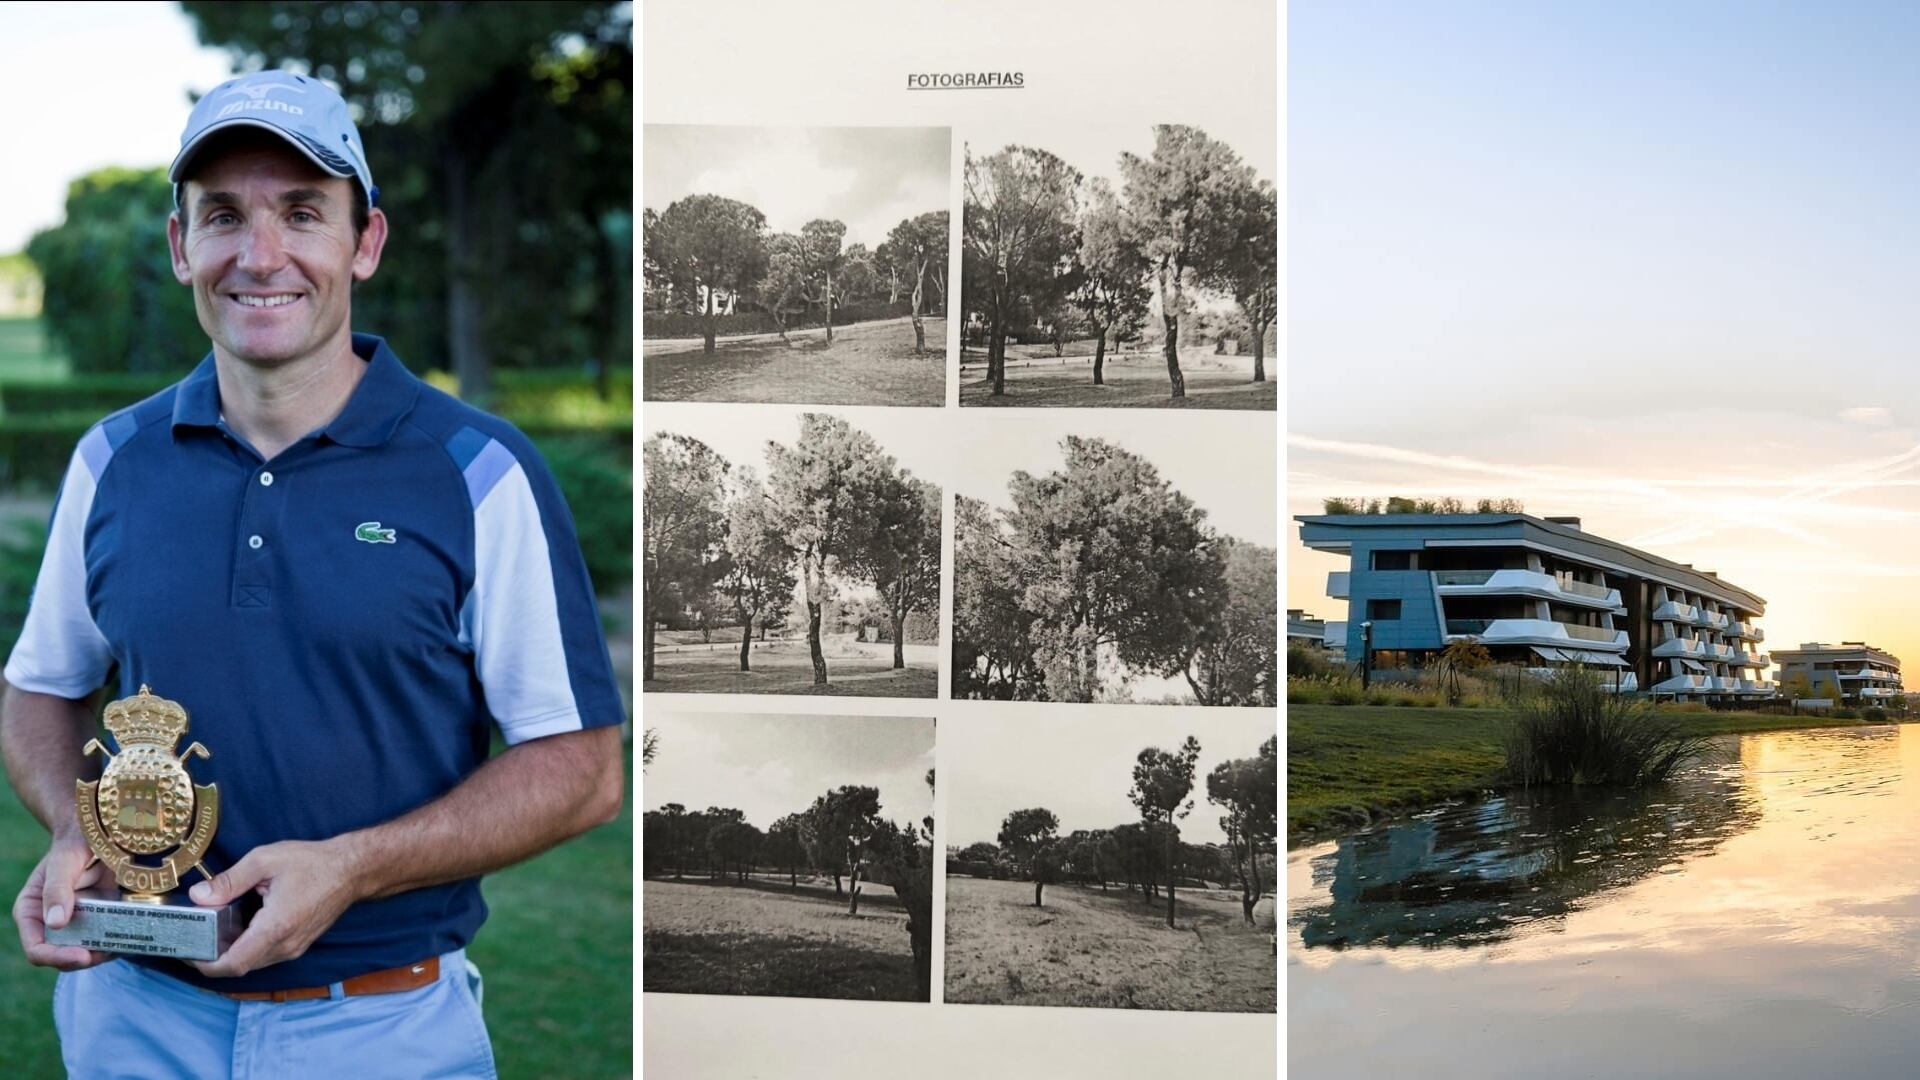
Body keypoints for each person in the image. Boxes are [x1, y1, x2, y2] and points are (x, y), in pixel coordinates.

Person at [2, 70, 626, 1078]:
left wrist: (351, 868)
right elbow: (41, 684)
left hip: (381, 1029)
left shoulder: (479, 473)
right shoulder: (111, 461)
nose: (261, 256)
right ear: (180, 248)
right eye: (222, 217)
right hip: (130, 1017)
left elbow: (584, 769)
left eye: (302, 213)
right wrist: (82, 828)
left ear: (363, 242)